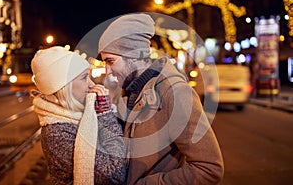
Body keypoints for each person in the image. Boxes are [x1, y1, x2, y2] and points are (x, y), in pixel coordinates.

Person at [97, 13, 224, 184]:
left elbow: (209, 168)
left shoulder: (174, 92)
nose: (107, 71)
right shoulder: (129, 91)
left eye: (110, 61)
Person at [30, 46, 127, 185]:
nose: (91, 84)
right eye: (83, 78)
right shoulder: (57, 132)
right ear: (64, 87)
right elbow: (114, 174)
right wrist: (105, 114)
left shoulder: (83, 115)